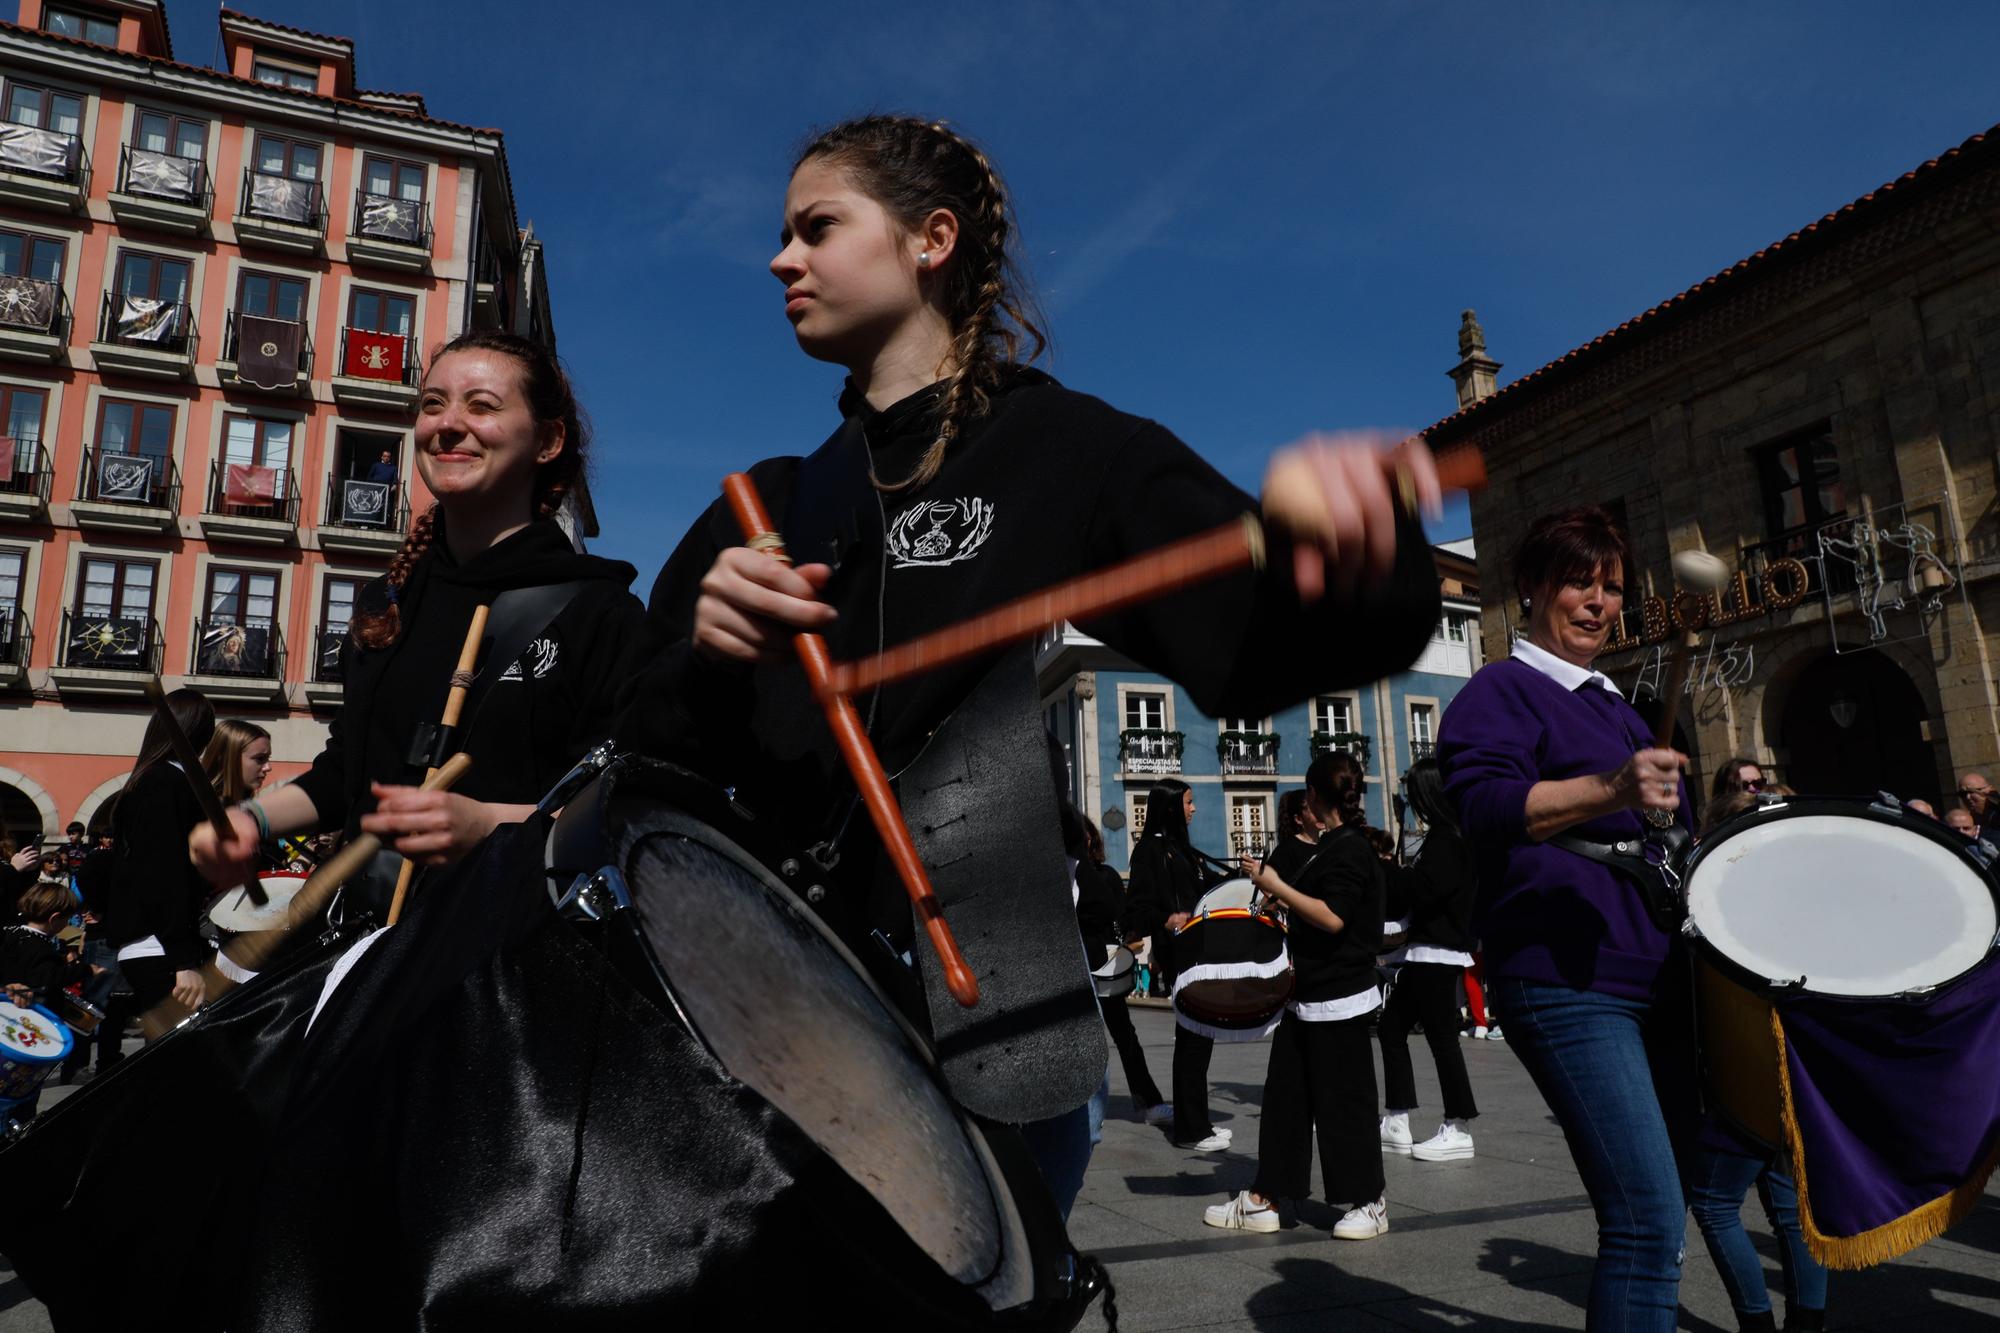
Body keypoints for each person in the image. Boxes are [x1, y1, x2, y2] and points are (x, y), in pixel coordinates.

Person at [191, 331, 645, 913]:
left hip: (504, 949)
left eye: (481, 406)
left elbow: (620, 806)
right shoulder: (386, 600)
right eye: (433, 404)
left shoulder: (599, 611)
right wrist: (249, 819)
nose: (447, 424)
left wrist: (486, 824)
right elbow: (349, 772)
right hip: (369, 933)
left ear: (548, 440)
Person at [1438, 504, 1695, 1330]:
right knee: (1645, 1222)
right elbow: (1481, 804)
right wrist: (1614, 789)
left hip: (1655, 976)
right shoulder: (1501, 689)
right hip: (1567, 982)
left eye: (1612, 586)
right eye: (1578, 581)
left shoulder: (1621, 707)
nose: (1598, 601)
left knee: (1677, 1209)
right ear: (1529, 589)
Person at [1202, 751, 1388, 1240]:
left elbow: (1332, 917)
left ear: (1312, 796)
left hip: (1341, 997)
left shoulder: (1350, 848)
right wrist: (1281, 895)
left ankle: (1369, 1201)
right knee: (1286, 1101)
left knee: (1345, 1106)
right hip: (1306, 997)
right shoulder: (1337, 844)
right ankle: (1268, 1197)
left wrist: (1273, 882)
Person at [1687, 785, 1829, 1333]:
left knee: (1716, 1200)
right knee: (1792, 1208)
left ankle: (1756, 1325)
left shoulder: (1726, 890)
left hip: (1744, 1065)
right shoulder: (1805, 890)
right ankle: (1807, 1324)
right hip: (1798, 1068)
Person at [1377, 757, 1480, 1162]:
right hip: (1430, 951)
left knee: (1439, 1039)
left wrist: (1389, 871)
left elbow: (1424, 889)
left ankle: (1458, 1126)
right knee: (1392, 1028)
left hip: (1436, 952)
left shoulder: (1445, 840)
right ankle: (1398, 1119)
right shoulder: (1451, 837)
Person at [1127, 780, 1231, 1150]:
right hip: (1180, 952)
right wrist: (1168, 919)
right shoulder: (1149, 852)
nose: (1194, 809)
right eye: (1188, 802)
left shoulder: (1181, 850)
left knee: (1200, 1037)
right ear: (1171, 807)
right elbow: (1138, 907)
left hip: (1198, 948)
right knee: (1192, 1037)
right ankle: (1190, 1131)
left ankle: (1198, 1121)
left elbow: (1206, 888)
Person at [105, 688, 219, 1017]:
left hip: (154, 945)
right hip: (161, 948)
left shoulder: (151, 779)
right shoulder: (166, 783)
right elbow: (164, 873)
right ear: (201, 731)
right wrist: (182, 960)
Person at [1076, 814, 1168, 1124]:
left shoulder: (1106, 875)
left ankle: (1148, 1102)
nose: (1085, 840)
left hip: (1108, 964)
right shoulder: (1065, 876)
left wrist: (1130, 937)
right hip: (1078, 968)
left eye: (1087, 835)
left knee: (1125, 1037)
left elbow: (1122, 916)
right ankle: (1082, 1112)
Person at [1955, 771, 1994, 838]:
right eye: (1963, 794)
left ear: (1989, 790)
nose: (1967, 797)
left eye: (1971, 791)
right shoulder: (1962, 823)